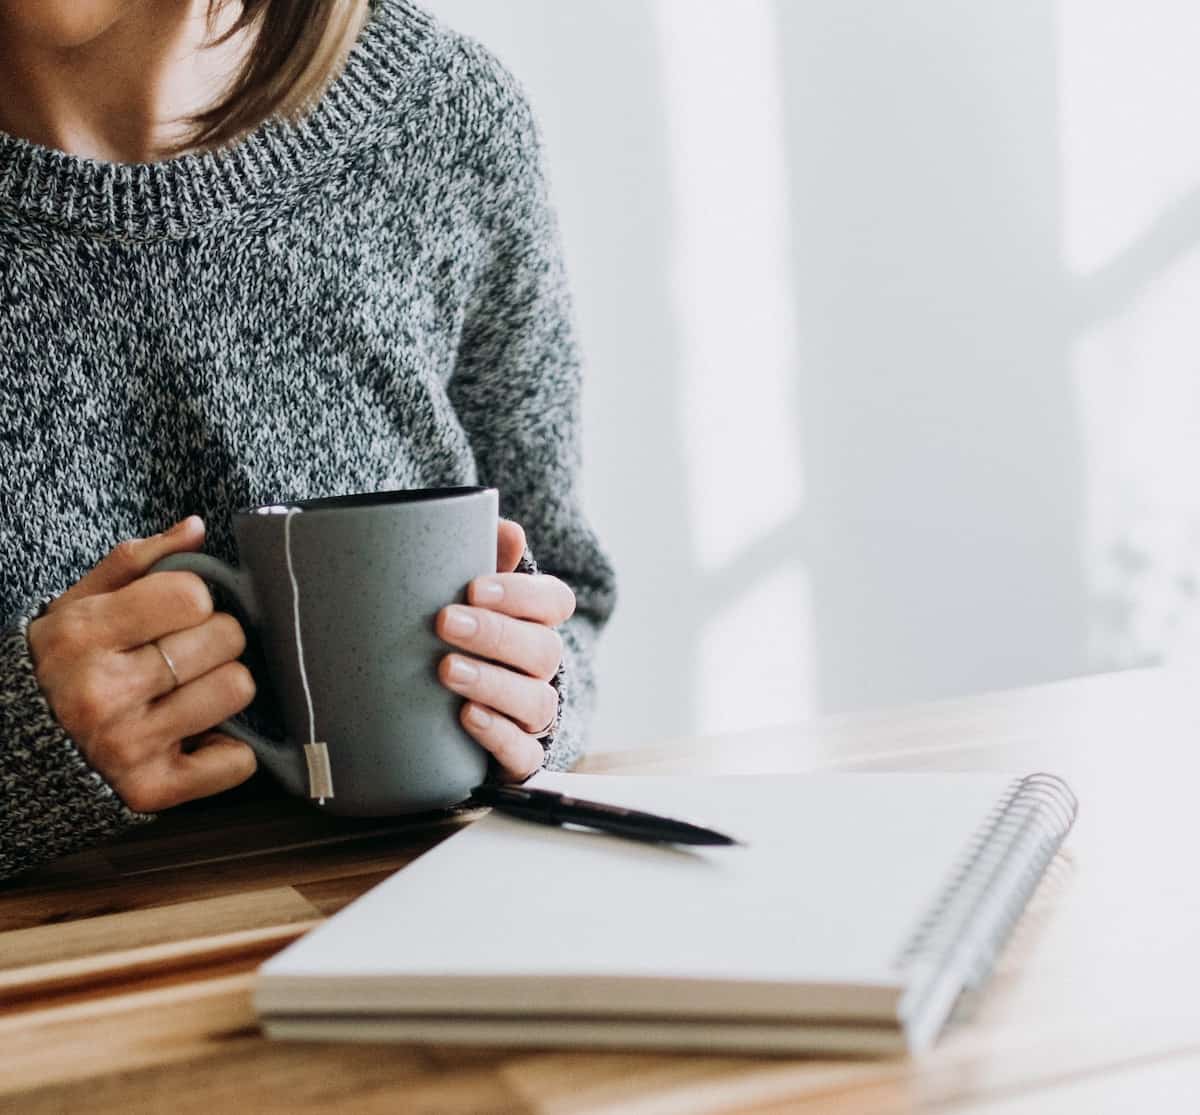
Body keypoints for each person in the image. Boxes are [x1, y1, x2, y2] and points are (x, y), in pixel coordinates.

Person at [0, 0, 615, 880]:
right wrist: (21, 754)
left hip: (415, 953)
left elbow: (568, 597)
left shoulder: (442, 121)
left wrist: (530, 705)